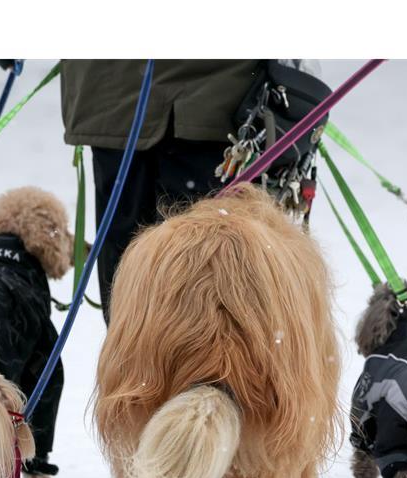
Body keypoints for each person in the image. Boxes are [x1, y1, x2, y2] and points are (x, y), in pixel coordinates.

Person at [59, 59, 262, 321]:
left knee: (137, 277)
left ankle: (136, 350)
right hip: (211, 99)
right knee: (208, 279)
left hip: (118, 95)